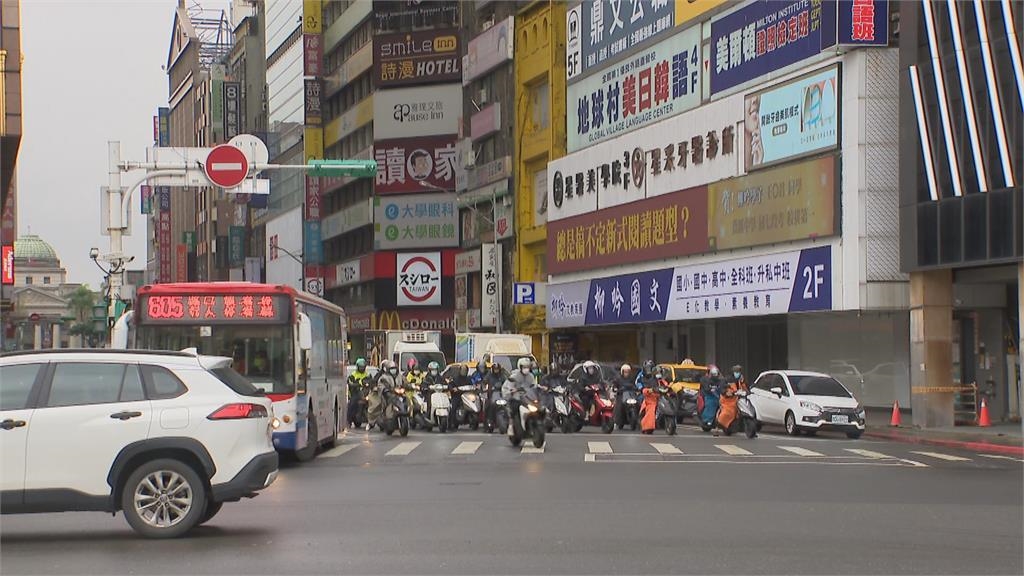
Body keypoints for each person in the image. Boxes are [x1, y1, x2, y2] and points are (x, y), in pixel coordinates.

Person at [503, 357, 537, 434]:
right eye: (524, 367)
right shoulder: (514, 376)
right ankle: (511, 426)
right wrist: (512, 390)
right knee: (513, 409)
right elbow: (509, 386)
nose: (526, 369)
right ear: (520, 367)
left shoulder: (531, 376)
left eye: (528, 367)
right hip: (515, 397)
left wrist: (539, 388)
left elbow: (533, 386)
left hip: (527, 398)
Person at [368, 360, 399, 431]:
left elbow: (404, 382)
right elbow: (375, 382)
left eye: (393, 368)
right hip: (384, 393)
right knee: (375, 404)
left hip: (395, 393)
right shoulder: (381, 376)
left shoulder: (397, 376)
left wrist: (409, 386)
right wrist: (378, 388)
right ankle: (371, 422)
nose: (392, 370)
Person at [640, 366, 668, 434]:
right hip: (651, 399)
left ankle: (671, 426)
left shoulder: (663, 381)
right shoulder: (650, 380)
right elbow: (644, 390)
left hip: (662, 398)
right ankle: (647, 427)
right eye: (657, 372)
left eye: (660, 372)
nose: (659, 374)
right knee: (651, 409)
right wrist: (651, 390)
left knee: (671, 405)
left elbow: (667, 386)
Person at [699, 364, 726, 434]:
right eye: (713, 374)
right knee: (711, 404)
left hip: (720, 396)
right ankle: (707, 420)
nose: (715, 375)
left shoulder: (721, 379)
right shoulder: (704, 379)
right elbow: (706, 388)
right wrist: (710, 389)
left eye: (716, 374)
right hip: (709, 395)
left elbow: (724, 386)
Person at [347, 358, 372, 428]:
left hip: (366, 393)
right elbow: (350, 382)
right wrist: (355, 385)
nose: (362, 368)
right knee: (352, 404)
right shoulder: (353, 375)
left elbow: (371, 381)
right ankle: (349, 421)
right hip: (356, 393)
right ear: (357, 366)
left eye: (363, 367)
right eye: (360, 367)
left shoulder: (367, 375)